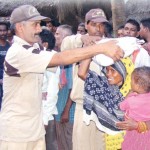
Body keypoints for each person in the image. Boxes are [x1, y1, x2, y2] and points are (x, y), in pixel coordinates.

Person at [0, 5, 123, 150]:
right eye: (35, 25)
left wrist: (86, 41)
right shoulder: (18, 52)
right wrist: (100, 48)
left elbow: (63, 54)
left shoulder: (34, 49)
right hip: (17, 133)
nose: (39, 29)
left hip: (34, 130)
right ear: (20, 27)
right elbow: (61, 57)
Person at [54, 24, 74, 150]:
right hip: (59, 110)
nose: (55, 36)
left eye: (57, 34)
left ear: (66, 38)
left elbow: (73, 88)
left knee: (68, 144)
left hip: (67, 114)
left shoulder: (70, 59)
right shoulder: (59, 57)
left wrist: (66, 111)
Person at [119, 66, 150, 150]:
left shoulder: (131, 100)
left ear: (138, 85)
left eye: (131, 80)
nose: (130, 82)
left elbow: (121, 107)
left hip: (133, 134)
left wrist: (129, 93)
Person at [39, 29, 59, 150]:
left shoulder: (51, 61)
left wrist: (45, 119)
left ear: (44, 44)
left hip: (46, 116)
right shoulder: (40, 60)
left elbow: (51, 93)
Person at [0, 22, 10, 110]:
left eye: (4, 30)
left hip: (7, 79)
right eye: (0, 31)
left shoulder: (9, 46)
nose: (3, 33)